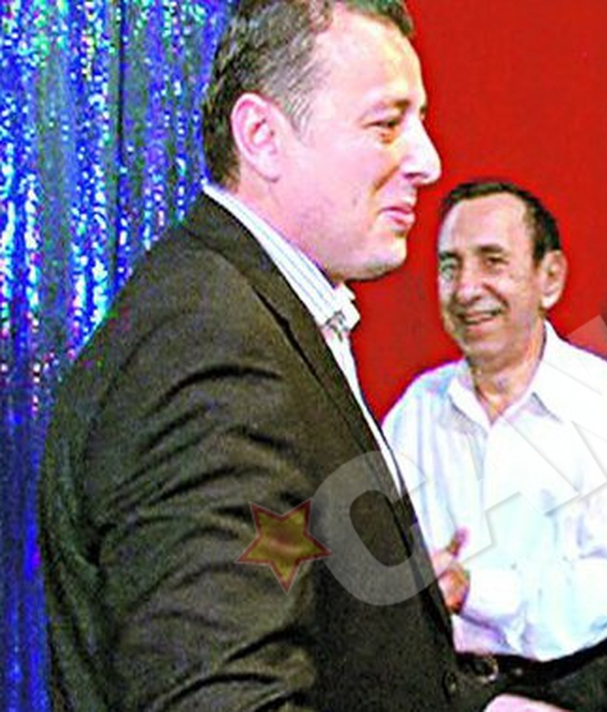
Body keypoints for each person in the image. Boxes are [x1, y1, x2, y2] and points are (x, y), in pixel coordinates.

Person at [38, 2, 549, 710]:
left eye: (420, 121)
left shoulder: (252, 315)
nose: (428, 161)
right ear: (262, 137)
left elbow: (286, 582)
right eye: (386, 124)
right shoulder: (208, 346)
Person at [383, 180, 607, 711]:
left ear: (549, 278)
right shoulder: (418, 409)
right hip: (438, 680)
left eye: (492, 262)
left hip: (566, 681)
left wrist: (473, 590)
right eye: (450, 267)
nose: (466, 289)